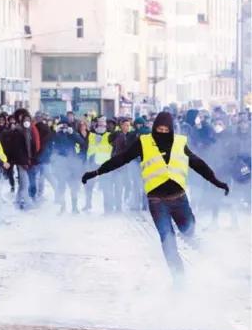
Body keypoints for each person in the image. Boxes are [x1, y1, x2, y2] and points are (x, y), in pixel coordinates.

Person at [81, 112, 229, 286]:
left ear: (172, 129)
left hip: (179, 198)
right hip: (157, 202)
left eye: (167, 130)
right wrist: (96, 172)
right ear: (154, 128)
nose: (163, 132)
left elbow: (198, 164)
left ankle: (218, 259)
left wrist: (217, 182)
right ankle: (179, 281)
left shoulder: (180, 143)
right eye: (160, 129)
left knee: (189, 231)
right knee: (167, 241)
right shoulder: (143, 143)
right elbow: (121, 159)